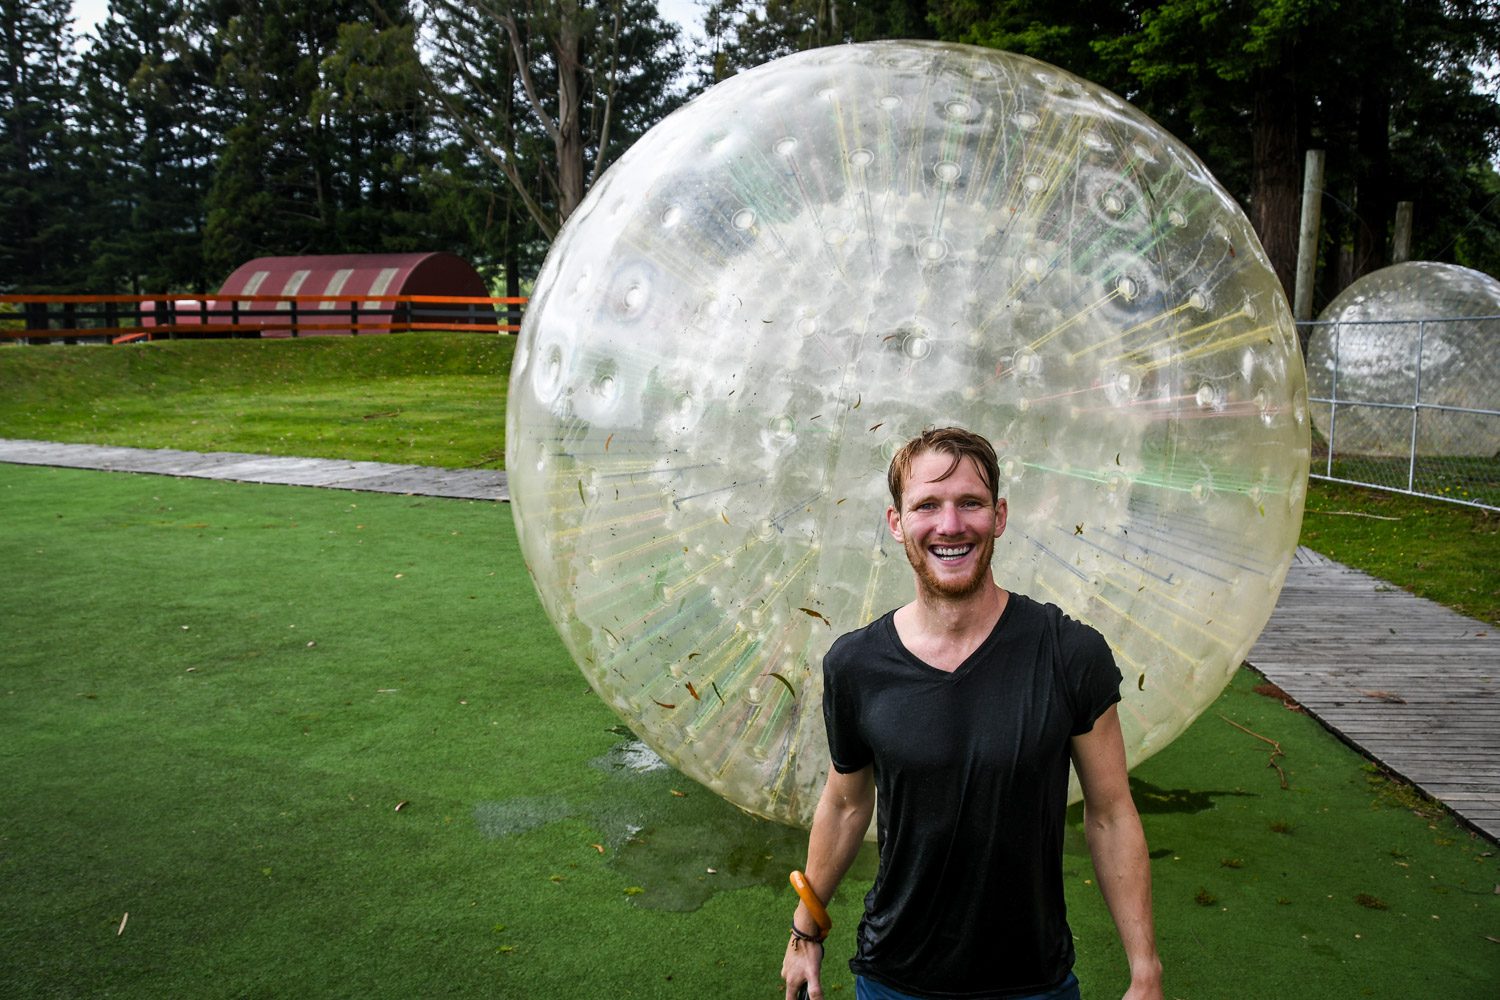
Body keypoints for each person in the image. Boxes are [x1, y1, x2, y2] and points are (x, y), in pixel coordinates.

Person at [781, 427, 1163, 1000]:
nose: (950, 525)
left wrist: (1145, 969)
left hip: (1034, 981)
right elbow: (844, 804)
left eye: (970, 503)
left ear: (1000, 515)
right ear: (896, 523)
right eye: (927, 506)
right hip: (895, 980)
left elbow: (1110, 814)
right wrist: (804, 932)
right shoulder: (856, 665)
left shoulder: (1069, 655)